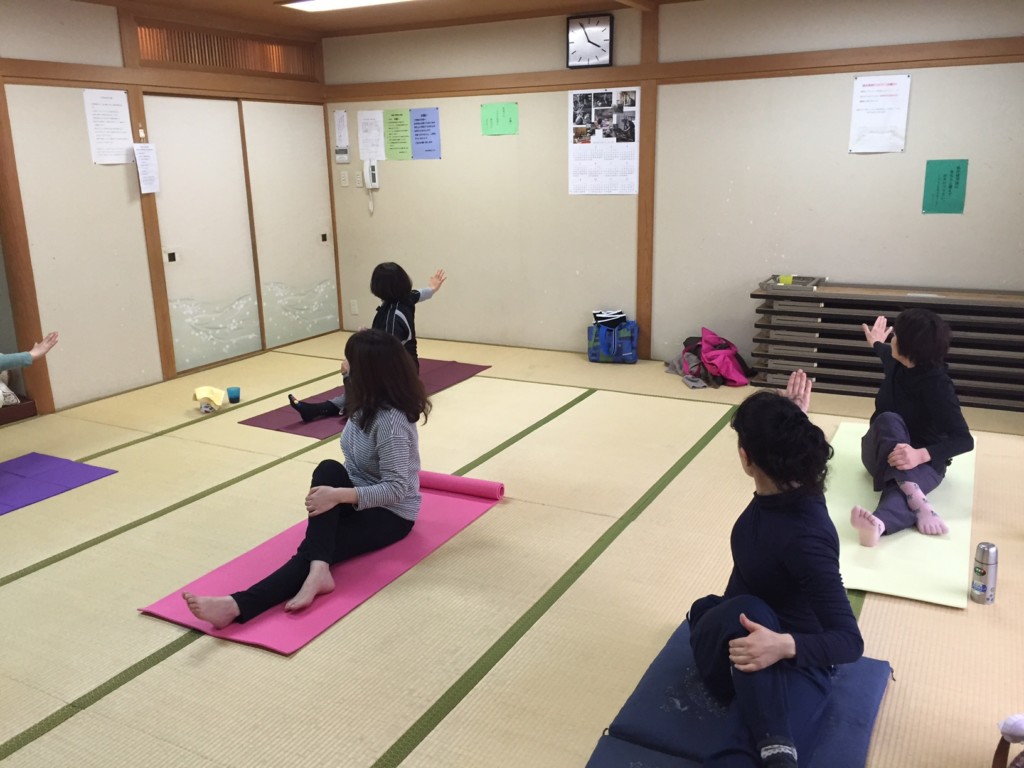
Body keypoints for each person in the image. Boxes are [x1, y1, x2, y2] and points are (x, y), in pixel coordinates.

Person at [184, 329, 431, 628]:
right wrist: (337, 494)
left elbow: (397, 488)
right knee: (328, 469)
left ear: (367, 372)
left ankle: (237, 605)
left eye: (349, 361)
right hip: (356, 495)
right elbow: (339, 412)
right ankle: (319, 569)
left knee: (316, 547)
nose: (343, 365)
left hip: (391, 513)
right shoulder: (364, 402)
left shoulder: (391, 422)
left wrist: (337, 497)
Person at [687, 373, 863, 768]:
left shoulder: (806, 538)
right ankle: (775, 741)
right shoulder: (798, 486)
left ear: (746, 458)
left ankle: (773, 746)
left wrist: (782, 645)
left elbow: (849, 642)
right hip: (731, 639)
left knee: (741, 752)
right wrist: (794, 416)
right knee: (737, 611)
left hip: (791, 658)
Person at [849, 309, 974, 547]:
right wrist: (875, 341)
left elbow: (964, 440)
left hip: (923, 465)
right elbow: (882, 351)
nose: (892, 340)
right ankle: (914, 494)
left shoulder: (938, 386)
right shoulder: (897, 363)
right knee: (887, 419)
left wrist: (919, 455)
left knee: (900, 490)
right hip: (880, 454)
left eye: (896, 336)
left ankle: (879, 524)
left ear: (909, 348)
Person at [287, 264, 446, 423]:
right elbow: (421, 294)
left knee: (357, 378)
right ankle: (315, 410)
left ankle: (357, 406)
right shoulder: (404, 299)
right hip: (403, 365)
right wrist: (432, 288)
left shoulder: (393, 316)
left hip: (399, 372)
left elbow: (385, 354)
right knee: (362, 384)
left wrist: (350, 369)